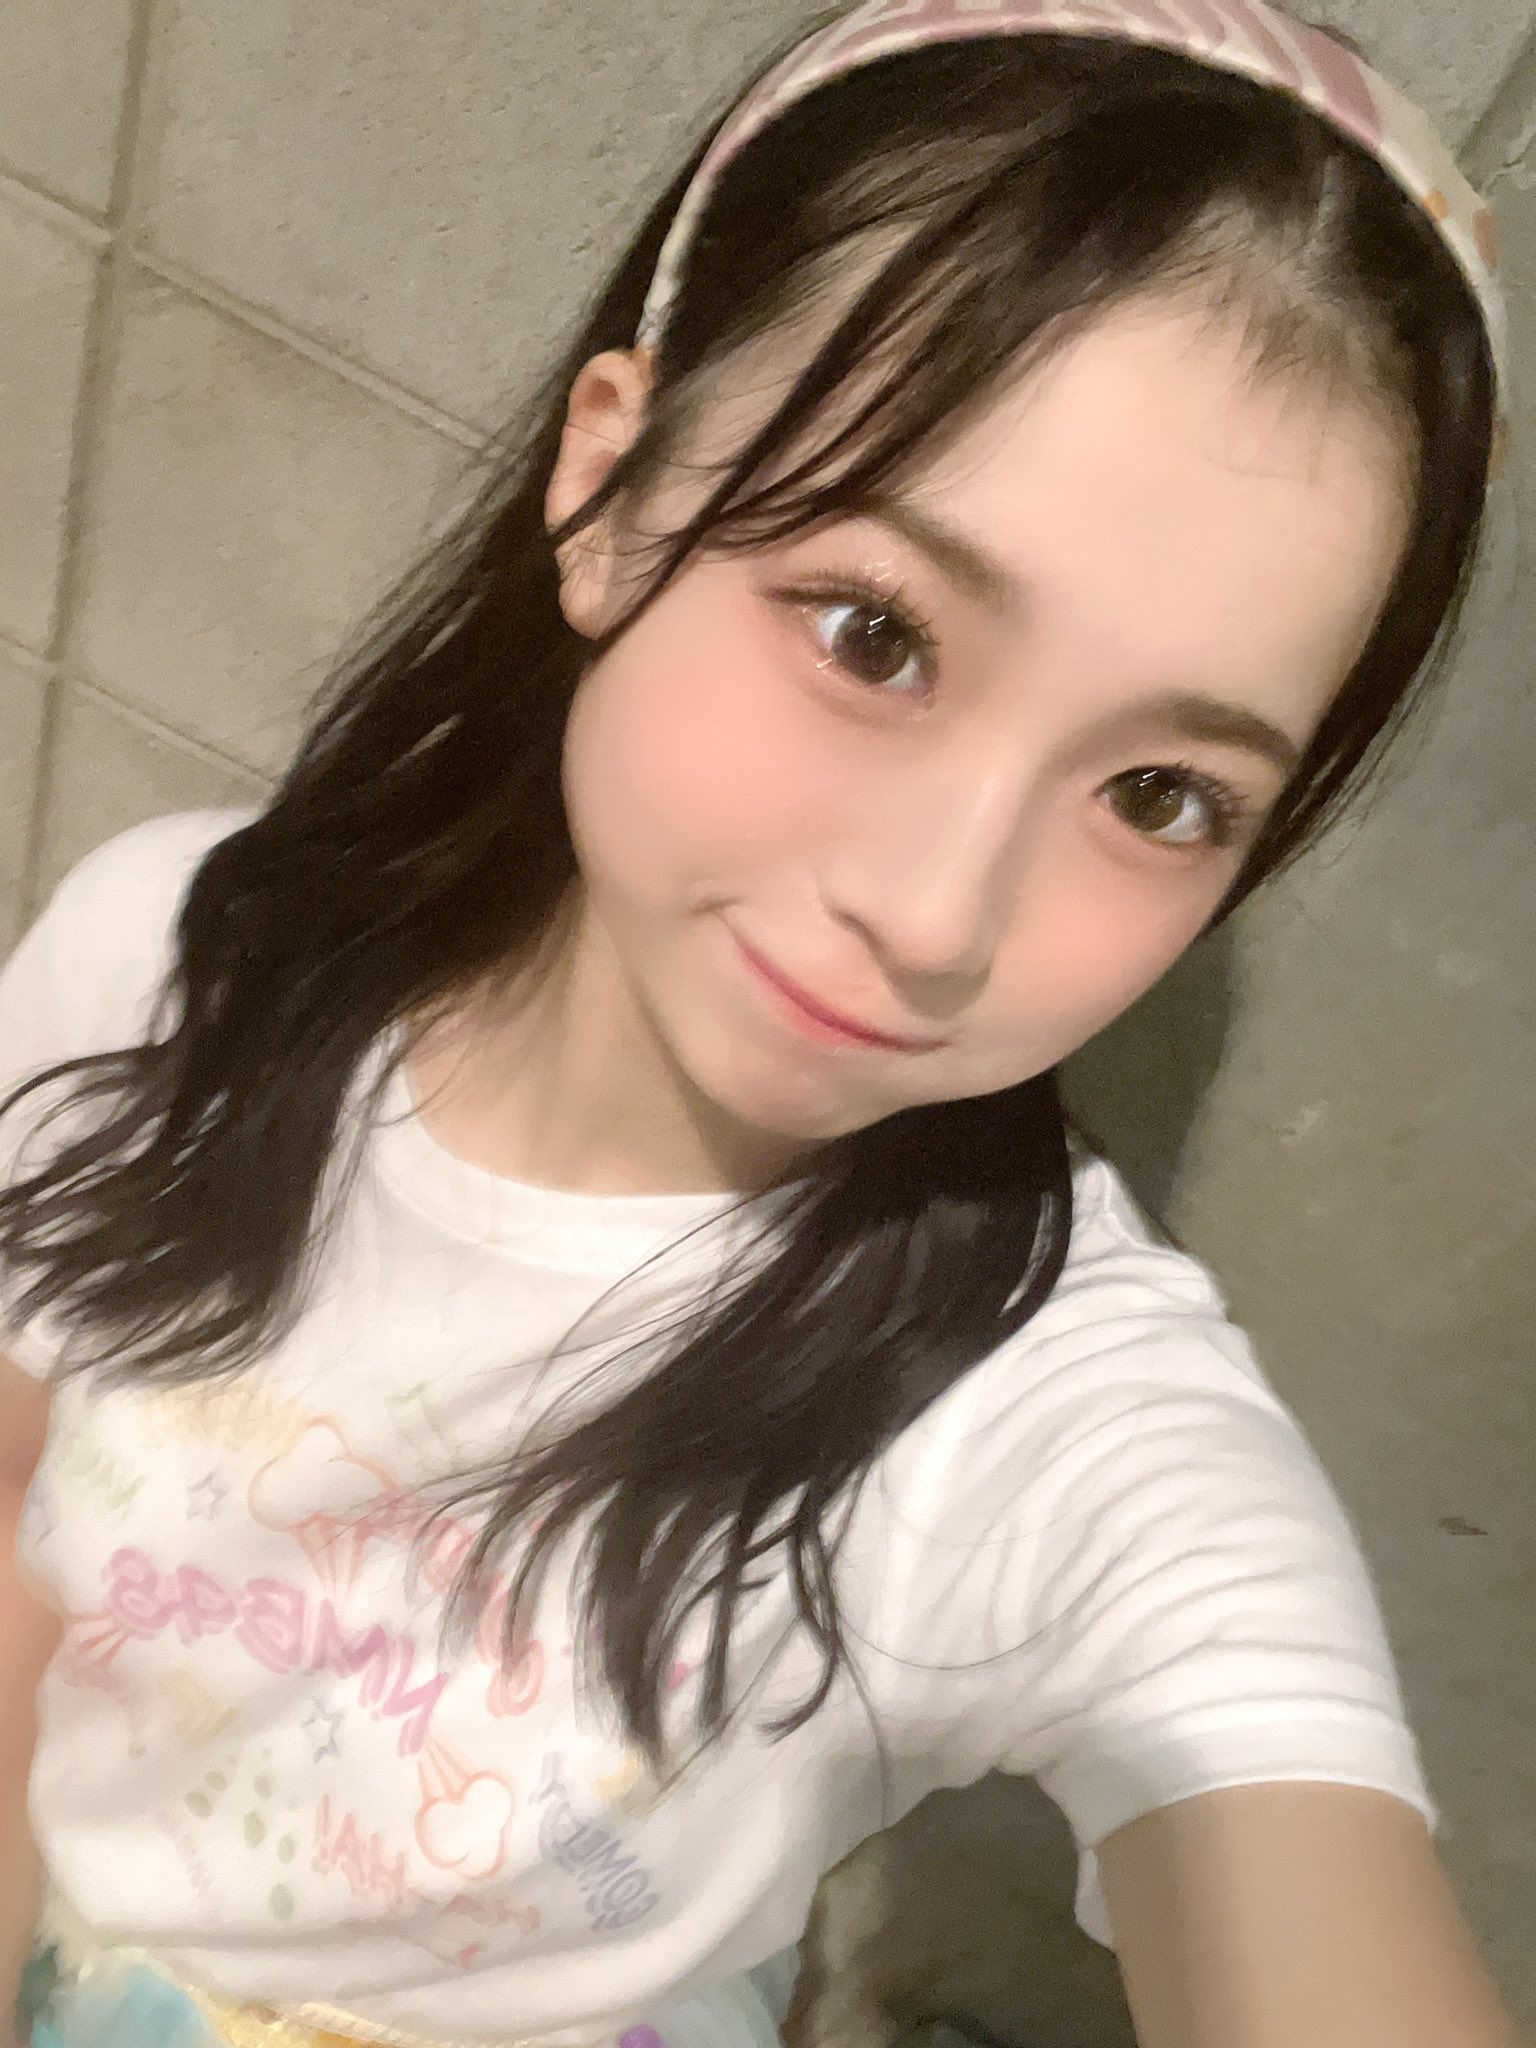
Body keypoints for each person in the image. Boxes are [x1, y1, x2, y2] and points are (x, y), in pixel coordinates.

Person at [0, 0, 1522, 2043]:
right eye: (877, 636)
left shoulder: (1029, 1422)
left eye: (1162, 796)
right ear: (611, 482)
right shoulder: (167, 958)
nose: (938, 913)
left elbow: (1273, 1800)